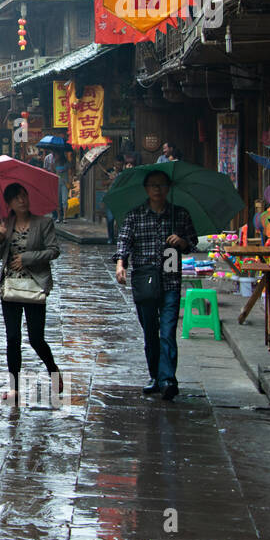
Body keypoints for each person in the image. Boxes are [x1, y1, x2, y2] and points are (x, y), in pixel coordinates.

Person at [113, 171, 197, 400]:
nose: (157, 189)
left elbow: (192, 242)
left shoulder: (179, 215)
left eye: (161, 185)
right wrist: (121, 264)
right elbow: (124, 242)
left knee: (168, 330)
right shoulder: (135, 216)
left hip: (170, 277)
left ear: (168, 188)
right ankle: (155, 376)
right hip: (145, 278)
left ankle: (168, 378)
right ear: (146, 189)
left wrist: (181, 242)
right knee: (150, 330)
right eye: (153, 185)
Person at [0, 183, 63, 406]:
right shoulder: (5, 224)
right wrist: (1, 238)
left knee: (36, 339)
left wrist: (27, 258)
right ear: (9, 203)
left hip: (34, 286)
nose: (22, 200)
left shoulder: (44, 223)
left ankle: (53, 369)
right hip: (11, 288)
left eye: (24, 196)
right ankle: (14, 388)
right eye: (16, 198)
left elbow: (54, 251)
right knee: (12, 338)